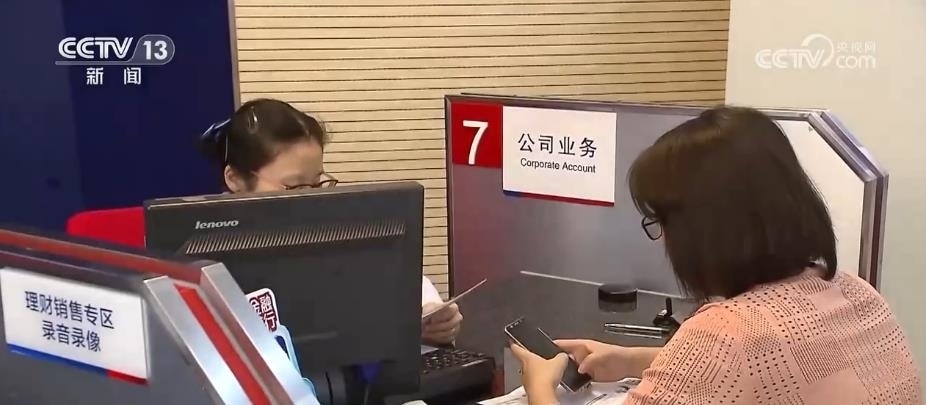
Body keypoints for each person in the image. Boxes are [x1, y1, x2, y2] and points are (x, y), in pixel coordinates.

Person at [510, 106, 921, 404]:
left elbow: (732, 357)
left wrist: (540, 387)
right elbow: (768, 368)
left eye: (663, 222)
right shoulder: (856, 292)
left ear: (703, 228)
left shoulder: (726, 332)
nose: (661, 241)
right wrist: (629, 359)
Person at [199, 98, 463, 345]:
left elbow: (394, 278)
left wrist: (430, 316)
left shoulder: (334, 222)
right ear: (234, 179)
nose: (310, 198)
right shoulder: (202, 252)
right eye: (295, 186)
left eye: (317, 183)